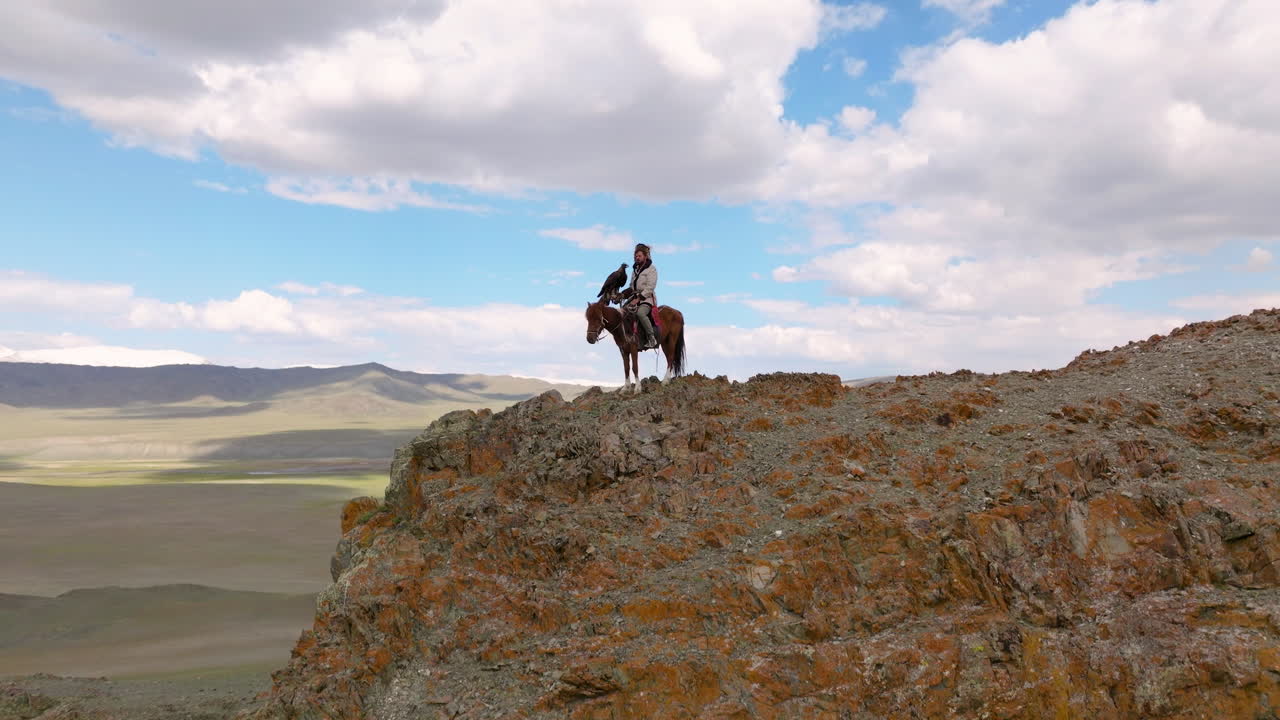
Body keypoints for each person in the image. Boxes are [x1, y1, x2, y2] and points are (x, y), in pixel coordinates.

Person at [625, 243, 659, 350]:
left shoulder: (651, 269)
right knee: (622, 312)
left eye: (639, 256)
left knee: (640, 313)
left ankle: (651, 338)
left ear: (645, 256)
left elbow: (650, 287)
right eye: (635, 256)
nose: (637, 258)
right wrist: (621, 295)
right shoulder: (635, 270)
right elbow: (631, 287)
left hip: (647, 298)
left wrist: (639, 299)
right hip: (634, 298)